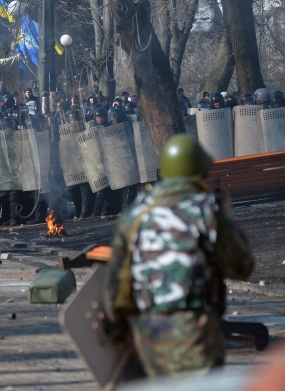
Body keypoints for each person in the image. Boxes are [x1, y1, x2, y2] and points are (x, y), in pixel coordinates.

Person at [105, 134, 254, 377]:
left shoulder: (136, 215)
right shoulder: (207, 211)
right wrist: (226, 217)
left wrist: (122, 331)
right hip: (196, 333)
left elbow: (115, 285)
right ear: (200, 175)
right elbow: (241, 267)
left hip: (148, 333)